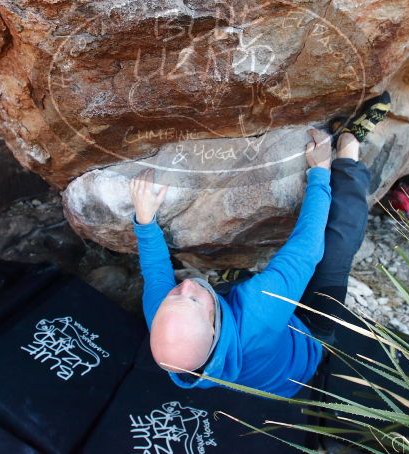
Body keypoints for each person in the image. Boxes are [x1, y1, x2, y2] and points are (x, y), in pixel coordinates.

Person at [129, 93, 391, 397]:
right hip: (306, 339)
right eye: (192, 300)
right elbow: (306, 249)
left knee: (201, 288)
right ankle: (349, 145)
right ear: (214, 327)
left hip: (258, 352)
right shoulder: (259, 310)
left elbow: (155, 272)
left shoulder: (167, 319)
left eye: (175, 294)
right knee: (341, 241)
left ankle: (230, 283)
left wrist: (144, 218)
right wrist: (320, 172)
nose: (186, 286)